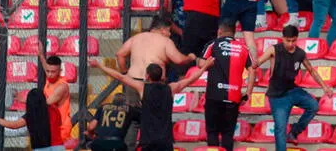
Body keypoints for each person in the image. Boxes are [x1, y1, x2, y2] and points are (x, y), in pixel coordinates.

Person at [90, 57, 215, 151]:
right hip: (165, 141)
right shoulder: (170, 88)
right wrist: (205, 67)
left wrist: (100, 65)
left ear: (147, 75)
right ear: (161, 76)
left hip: (148, 140)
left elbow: (120, 77)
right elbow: (190, 79)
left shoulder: (143, 88)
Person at [115, 15, 196, 151]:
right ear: (163, 30)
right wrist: (190, 57)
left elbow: (119, 54)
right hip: (153, 86)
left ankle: (129, 148)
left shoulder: (136, 38)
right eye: (169, 31)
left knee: (133, 120)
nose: (170, 34)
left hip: (134, 82)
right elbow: (178, 60)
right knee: (156, 119)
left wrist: (125, 73)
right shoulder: (165, 41)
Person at [254, 25, 333, 150]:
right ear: (283, 38)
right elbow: (258, 62)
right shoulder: (274, 50)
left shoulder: (300, 53)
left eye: (293, 40)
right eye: (288, 40)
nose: (291, 44)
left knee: (314, 106)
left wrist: (325, 87)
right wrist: (252, 63)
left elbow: (311, 70)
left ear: (297, 39)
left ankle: (294, 132)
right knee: (280, 129)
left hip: (293, 91)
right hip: (277, 96)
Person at [198, 19, 254, 151]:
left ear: (219, 31)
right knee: (227, 134)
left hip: (214, 96)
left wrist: (200, 62)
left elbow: (202, 64)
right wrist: (248, 93)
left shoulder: (213, 44)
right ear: (234, 33)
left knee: (212, 132)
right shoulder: (243, 48)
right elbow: (252, 70)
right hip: (233, 97)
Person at [0, 89, 64, 151]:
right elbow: (59, 122)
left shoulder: (31, 115)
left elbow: (14, 125)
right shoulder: (54, 109)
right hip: (58, 146)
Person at [38, 42, 72, 143]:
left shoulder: (62, 87)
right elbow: (45, 65)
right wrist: (41, 54)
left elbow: (46, 103)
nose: (49, 74)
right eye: (48, 71)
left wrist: (26, 101)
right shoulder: (50, 76)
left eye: (53, 72)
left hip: (61, 128)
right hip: (51, 125)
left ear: (60, 71)